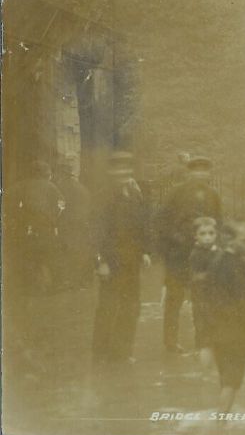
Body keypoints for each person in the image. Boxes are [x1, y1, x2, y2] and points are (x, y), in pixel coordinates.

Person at [91, 152, 152, 363]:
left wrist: (145, 251)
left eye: (127, 168)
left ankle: (122, 352)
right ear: (111, 172)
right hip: (112, 262)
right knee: (108, 307)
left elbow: (142, 226)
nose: (123, 172)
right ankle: (100, 353)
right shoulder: (103, 195)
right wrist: (101, 262)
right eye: (118, 169)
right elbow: (96, 232)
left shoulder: (135, 194)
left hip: (132, 261)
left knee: (130, 307)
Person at [158, 156, 222, 353]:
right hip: (178, 255)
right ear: (189, 173)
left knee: (202, 299)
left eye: (204, 170)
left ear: (209, 173)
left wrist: (216, 249)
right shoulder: (176, 193)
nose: (200, 174)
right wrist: (175, 242)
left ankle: (202, 341)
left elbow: (219, 223)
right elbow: (162, 221)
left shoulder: (213, 195)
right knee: (174, 299)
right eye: (196, 170)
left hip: (204, 256)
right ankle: (170, 342)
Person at [198, 221, 245, 416]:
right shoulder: (242, 267)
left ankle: (220, 418)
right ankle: (220, 422)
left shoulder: (216, 261)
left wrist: (205, 339)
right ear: (231, 241)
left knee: (226, 378)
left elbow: (205, 300)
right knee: (232, 381)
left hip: (217, 331)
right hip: (236, 333)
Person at [4, 160, 65, 295]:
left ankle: (31, 286)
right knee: (50, 256)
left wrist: (17, 214)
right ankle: (53, 286)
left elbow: (6, 196)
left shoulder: (22, 185)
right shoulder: (51, 186)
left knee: (30, 256)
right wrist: (54, 218)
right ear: (46, 173)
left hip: (28, 227)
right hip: (46, 227)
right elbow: (62, 205)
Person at [54, 159, 93, 291]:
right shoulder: (81, 187)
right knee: (79, 251)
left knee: (67, 252)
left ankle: (70, 282)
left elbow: (59, 207)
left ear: (62, 173)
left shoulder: (61, 187)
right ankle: (81, 281)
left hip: (68, 224)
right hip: (82, 224)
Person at [188, 216, 219, 353]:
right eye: (203, 234)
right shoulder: (196, 254)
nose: (207, 237)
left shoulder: (218, 252)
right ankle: (201, 355)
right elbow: (195, 277)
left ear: (216, 234)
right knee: (202, 327)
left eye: (211, 233)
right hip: (201, 298)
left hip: (217, 298)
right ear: (195, 236)